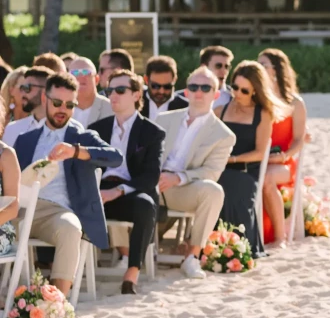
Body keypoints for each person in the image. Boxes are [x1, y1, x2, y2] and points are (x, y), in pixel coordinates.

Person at [15, 73, 122, 296]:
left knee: (71, 228)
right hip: (21, 209)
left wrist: (76, 151)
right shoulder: (26, 139)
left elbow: (115, 157)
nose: (62, 109)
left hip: (57, 211)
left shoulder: (83, 136)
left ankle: (55, 303)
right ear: (45, 100)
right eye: (57, 103)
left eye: (69, 104)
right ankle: (11, 293)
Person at [89, 70, 165, 295]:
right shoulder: (97, 129)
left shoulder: (152, 132)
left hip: (129, 192)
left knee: (145, 205)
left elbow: (151, 176)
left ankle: (131, 273)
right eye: (109, 90)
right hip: (98, 190)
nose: (113, 95)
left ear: (136, 94)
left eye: (120, 90)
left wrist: (118, 191)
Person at [156, 67, 236, 279]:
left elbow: (211, 172)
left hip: (183, 188)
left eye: (205, 87)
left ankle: (192, 257)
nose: (199, 92)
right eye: (193, 87)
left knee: (214, 191)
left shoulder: (223, 134)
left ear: (216, 94)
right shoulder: (163, 119)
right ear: (186, 92)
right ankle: (123, 255)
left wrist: (178, 178)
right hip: (151, 183)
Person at [216, 61, 284, 257]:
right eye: (234, 87)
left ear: (255, 91)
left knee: (234, 186)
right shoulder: (220, 110)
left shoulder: (262, 114)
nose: (237, 93)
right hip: (219, 168)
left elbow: (261, 152)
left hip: (246, 172)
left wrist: (232, 159)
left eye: (244, 90)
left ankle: (239, 249)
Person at [258, 48, 308, 247]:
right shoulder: (258, 100)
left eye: (264, 65)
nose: (259, 68)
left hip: (284, 162)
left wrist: (285, 155)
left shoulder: (295, 102)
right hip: (259, 158)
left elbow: (299, 139)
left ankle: (280, 238)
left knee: (268, 177)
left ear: (277, 70)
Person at [2, 66, 54, 146]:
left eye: (27, 88)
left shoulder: (69, 130)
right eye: (22, 88)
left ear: (45, 91)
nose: (23, 93)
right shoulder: (12, 129)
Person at [67, 58, 113, 129]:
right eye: (75, 72)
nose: (81, 76)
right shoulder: (61, 109)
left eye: (86, 72)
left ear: (97, 79)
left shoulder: (111, 109)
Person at [141, 55, 188, 120]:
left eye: (167, 86)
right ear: (146, 80)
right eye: (156, 86)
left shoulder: (186, 108)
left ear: (174, 80)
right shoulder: (134, 103)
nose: (161, 91)